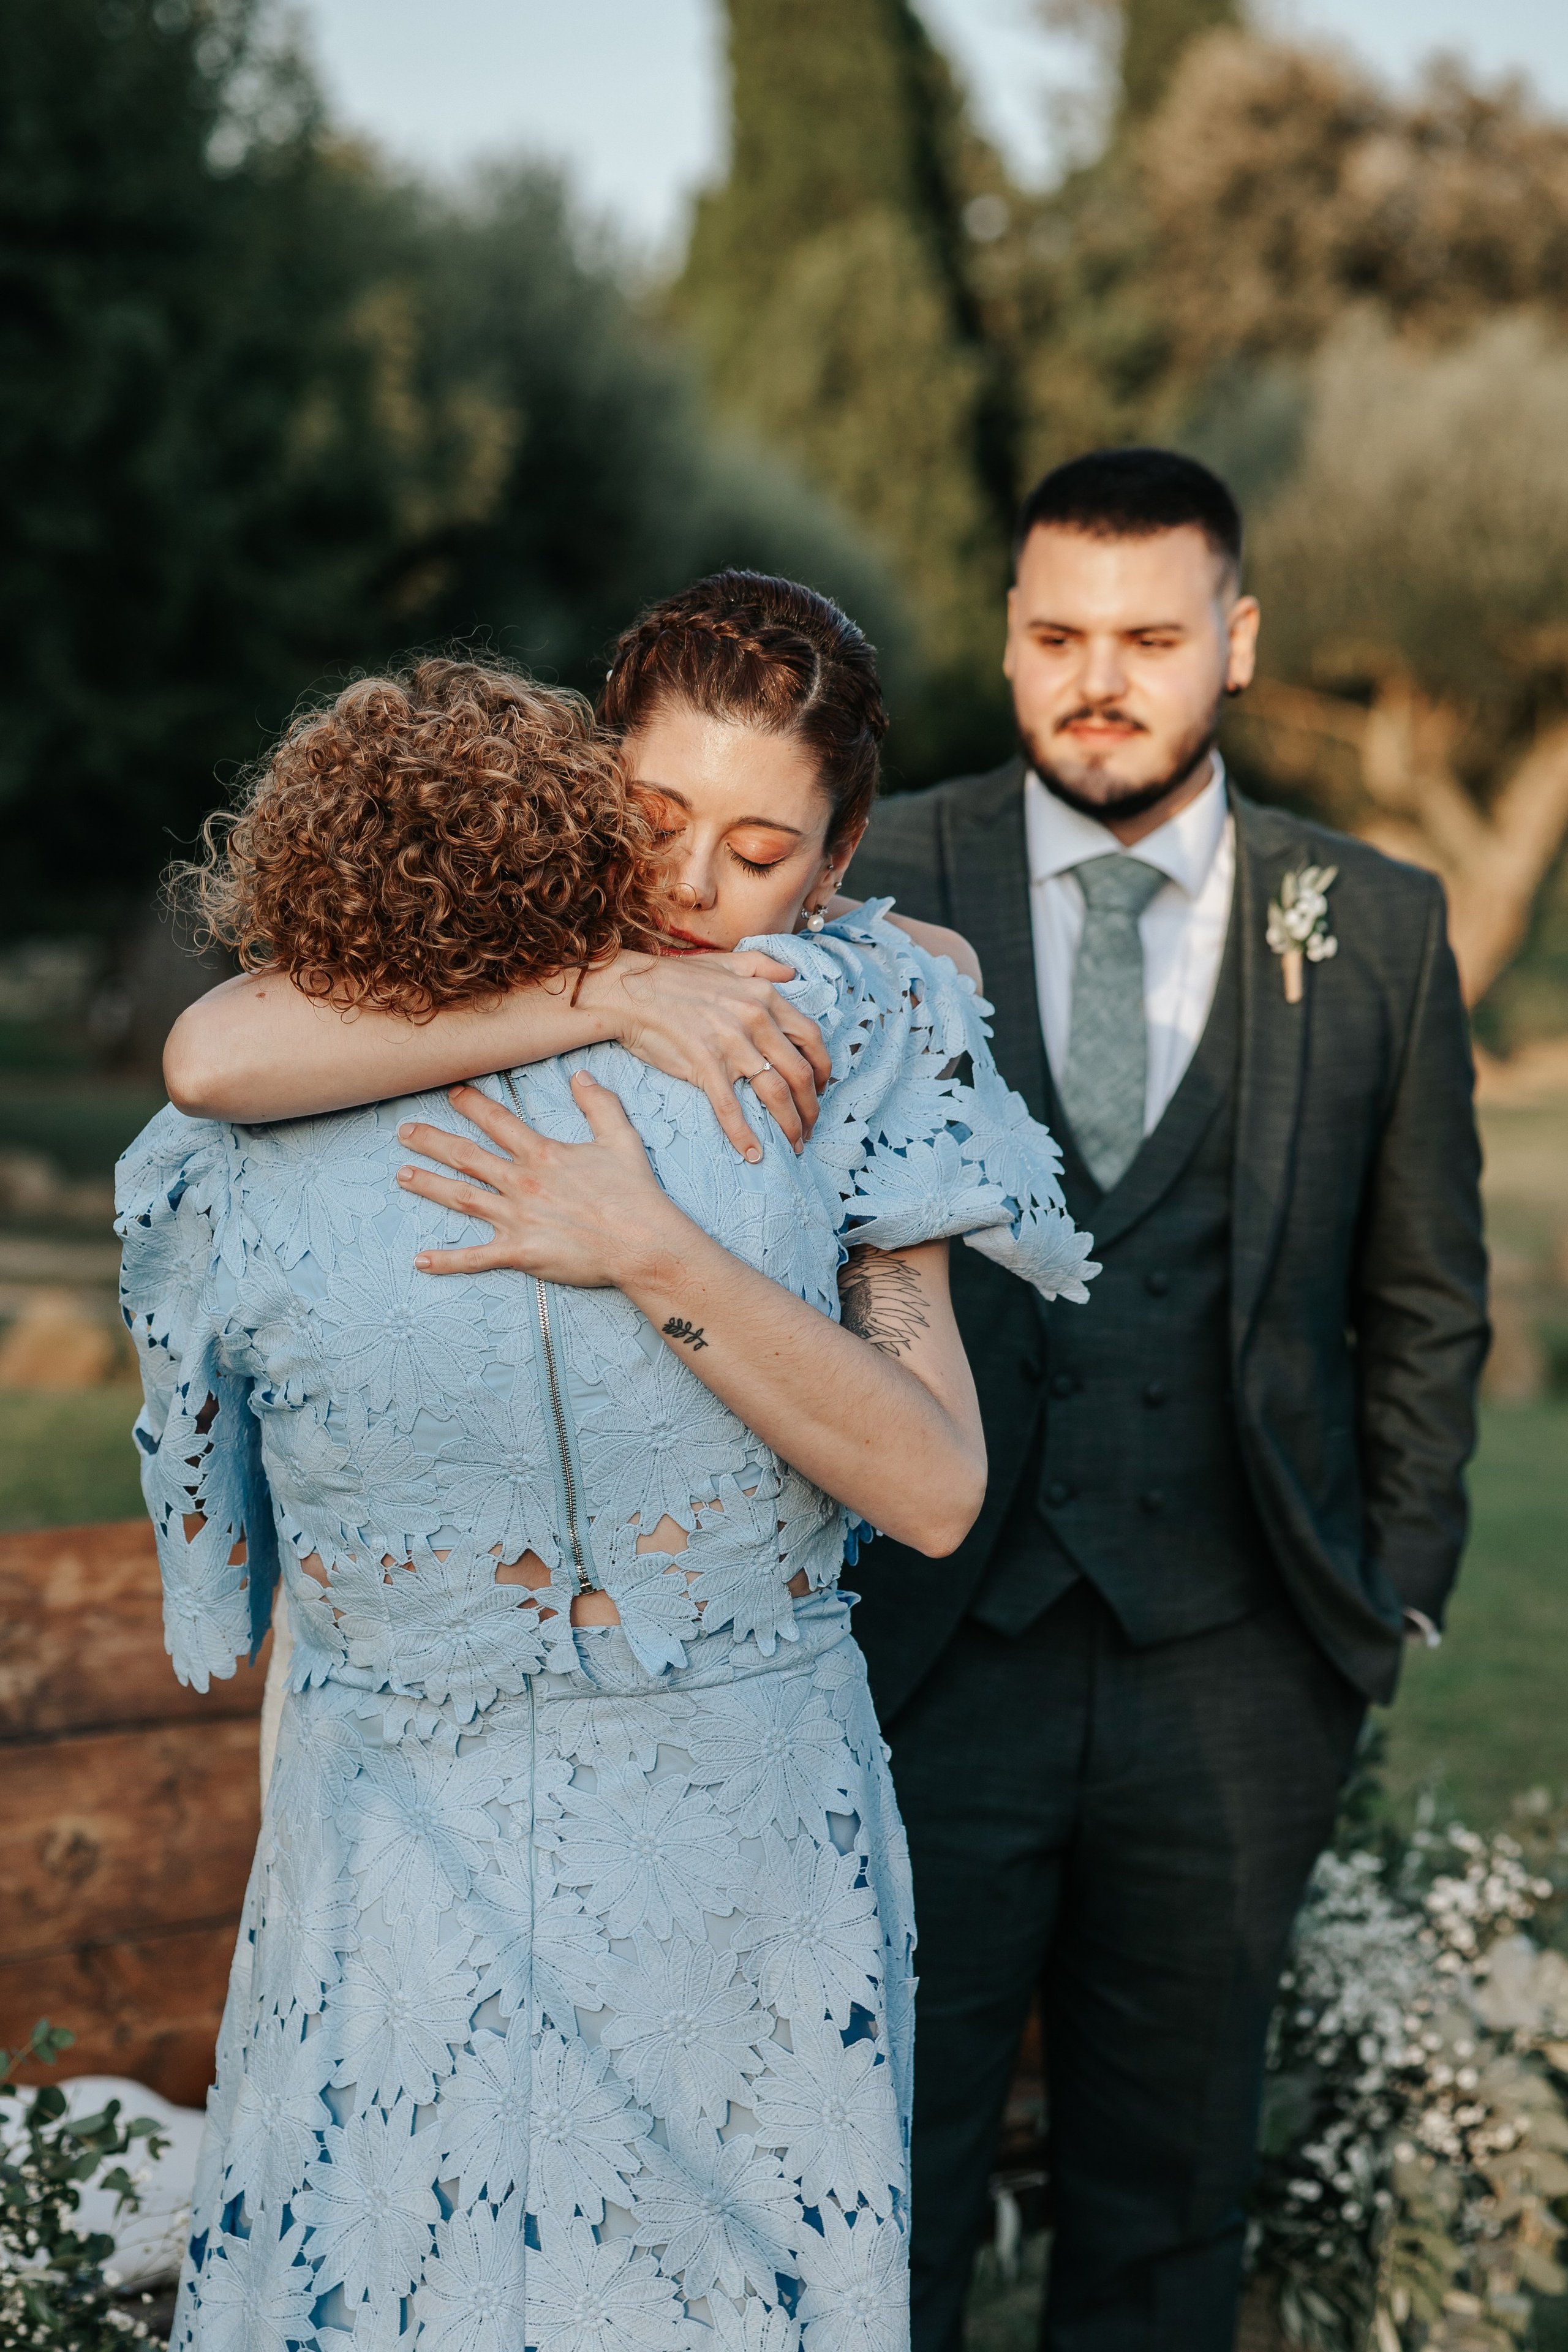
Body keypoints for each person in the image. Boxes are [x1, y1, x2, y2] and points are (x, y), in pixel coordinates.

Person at [119, 587, 1096, 2350]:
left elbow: (938, 1490)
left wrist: (655, 1251)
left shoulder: (855, 1011)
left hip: (740, 1837)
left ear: (837, 852)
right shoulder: (422, 980)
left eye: (758, 849)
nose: (695, 889)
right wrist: (611, 995)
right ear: (588, 784)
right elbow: (208, 1055)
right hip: (417, 1811)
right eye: (653, 828)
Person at [843, 447, 1490, 2351]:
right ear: (1012, 639)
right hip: (923, 1654)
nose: (1099, 678)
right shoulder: (870, 876)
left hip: (1239, 1666)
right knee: (889, 2174)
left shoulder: (1370, 920)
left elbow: (1427, 1298)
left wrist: (1386, 1603)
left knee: (1167, 2200)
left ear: (1239, 640)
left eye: (1147, 636)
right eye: (1057, 635)